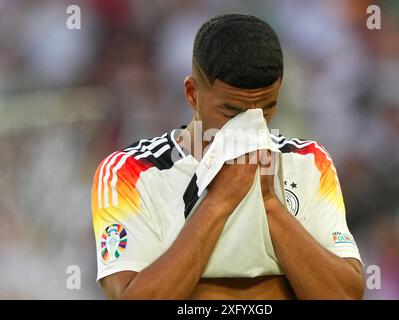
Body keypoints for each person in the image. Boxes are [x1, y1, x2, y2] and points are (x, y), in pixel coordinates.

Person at [91, 13, 364, 299]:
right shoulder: (129, 173)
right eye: (232, 112)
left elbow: (343, 295)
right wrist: (220, 201)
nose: (251, 125)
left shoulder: (308, 162)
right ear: (192, 93)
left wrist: (269, 202)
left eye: (267, 108)